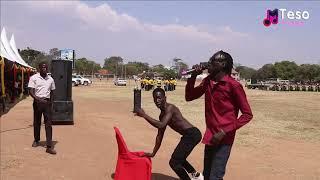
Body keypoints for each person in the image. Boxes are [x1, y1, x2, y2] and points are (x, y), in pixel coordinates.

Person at [185, 50, 253, 180]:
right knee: (208, 174)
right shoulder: (208, 81)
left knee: (215, 176)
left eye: (212, 61)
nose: (209, 64)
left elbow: (247, 114)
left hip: (224, 138)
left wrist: (224, 131)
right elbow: (189, 96)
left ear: (223, 64)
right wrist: (193, 76)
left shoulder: (234, 86)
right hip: (210, 135)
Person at [135, 87, 203, 180]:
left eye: (159, 98)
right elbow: (160, 135)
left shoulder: (170, 108)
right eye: (155, 99)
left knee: (174, 162)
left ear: (165, 98)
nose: (157, 101)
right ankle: (197, 176)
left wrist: (144, 115)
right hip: (188, 135)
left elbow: (161, 125)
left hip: (192, 134)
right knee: (179, 158)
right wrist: (153, 152)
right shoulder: (162, 115)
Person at [28, 62, 57, 155]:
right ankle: (36, 140)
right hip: (37, 103)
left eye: (46, 67)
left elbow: (52, 92)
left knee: (48, 124)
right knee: (37, 122)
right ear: (39, 68)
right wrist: (39, 100)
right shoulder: (34, 78)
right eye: (42, 67)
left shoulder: (51, 79)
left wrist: (51, 103)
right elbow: (31, 92)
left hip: (47, 103)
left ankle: (49, 146)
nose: (44, 69)